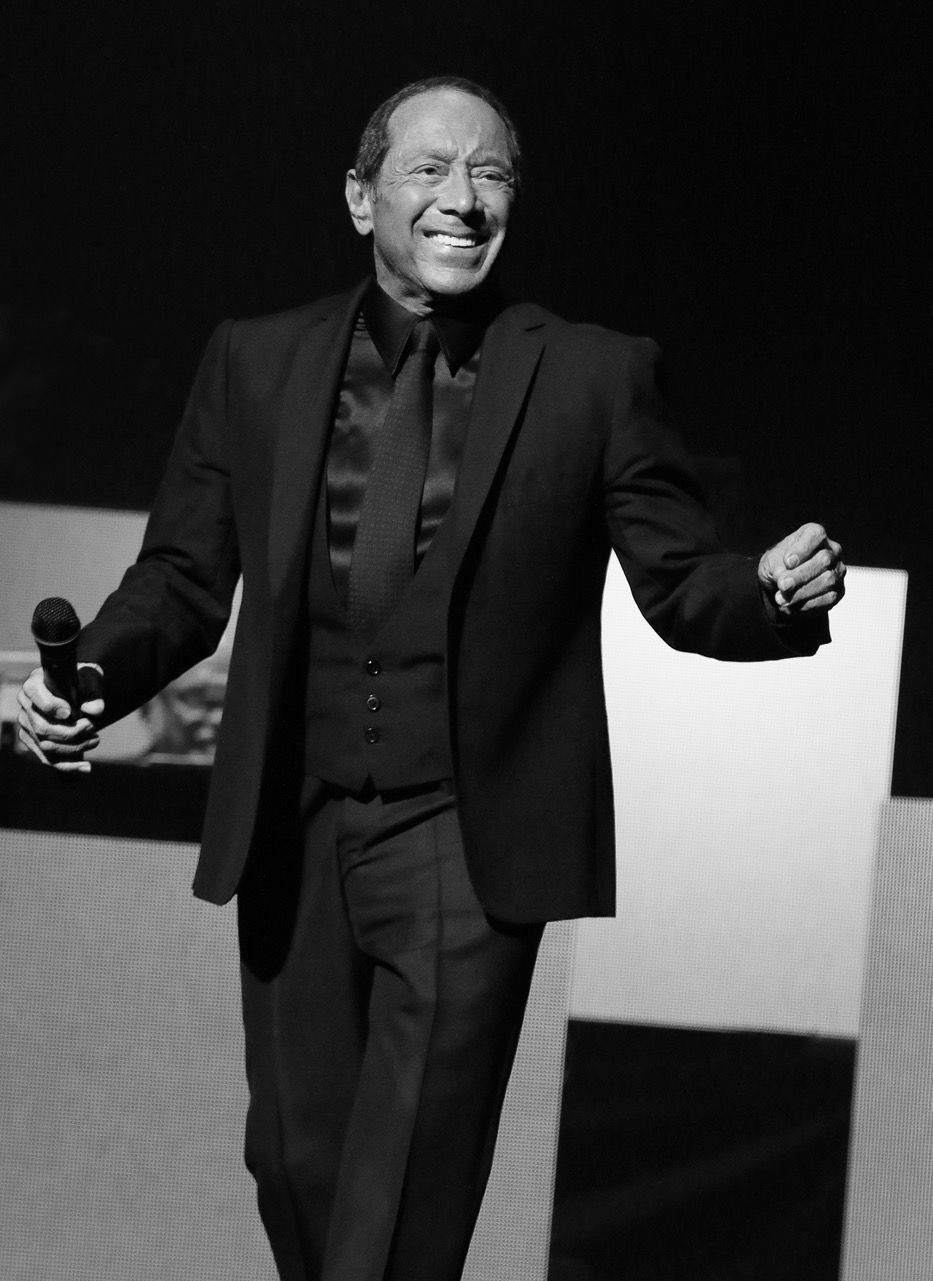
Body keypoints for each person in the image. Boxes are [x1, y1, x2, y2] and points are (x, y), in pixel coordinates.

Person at [17, 75, 845, 1281]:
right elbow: (183, 581)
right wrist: (91, 672)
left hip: (469, 837)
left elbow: (681, 584)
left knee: (404, 1194)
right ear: (361, 199)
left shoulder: (592, 376)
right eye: (430, 170)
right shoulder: (257, 362)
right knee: (295, 1167)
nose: (464, 199)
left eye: (491, 174)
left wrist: (767, 595)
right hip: (293, 833)